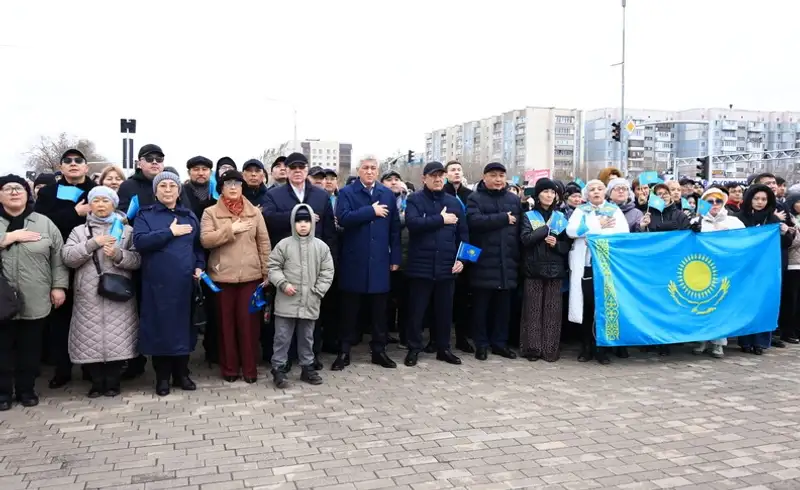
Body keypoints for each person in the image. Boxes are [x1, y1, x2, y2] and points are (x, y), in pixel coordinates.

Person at [62, 186, 141, 397]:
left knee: (118, 337)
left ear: (113, 204)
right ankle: (97, 382)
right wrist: (91, 244)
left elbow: (138, 260)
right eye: (96, 200)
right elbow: (68, 257)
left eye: (105, 201)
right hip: (88, 293)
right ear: (90, 205)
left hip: (119, 292)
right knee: (89, 337)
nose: (100, 205)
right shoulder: (79, 231)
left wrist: (118, 255)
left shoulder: (127, 231)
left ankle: (114, 381)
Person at [133, 170, 205, 396]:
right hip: (158, 284)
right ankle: (162, 377)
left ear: (178, 190)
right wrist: (169, 232)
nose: (167, 190)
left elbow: (198, 247)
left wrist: (199, 265)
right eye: (162, 186)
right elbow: (140, 241)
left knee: (183, 330)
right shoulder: (146, 215)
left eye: (172, 186)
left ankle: (182, 373)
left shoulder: (189, 215)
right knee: (160, 330)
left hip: (185, 284)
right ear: (155, 191)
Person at [0, 175, 69, 410]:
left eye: (18, 188)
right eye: (7, 189)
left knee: (30, 349)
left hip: (35, 295)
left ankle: (26, 390)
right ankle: (3, 393)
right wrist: (7, 238)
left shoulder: (43, 222)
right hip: (2, 299)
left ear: (28, 193)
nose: (13, 192)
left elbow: (58, 257)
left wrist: (58, 286)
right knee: (3, 349)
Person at [263, 153, 337, 369]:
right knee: (286, 317)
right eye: (293, 167)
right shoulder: (274, 195)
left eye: (301, 167)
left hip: (315, 261)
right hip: (287, 263)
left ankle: (310, 358)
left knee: (312, 315)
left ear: (307, 169)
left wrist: (332, 261)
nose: (297, 170)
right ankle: (285, 359)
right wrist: (298, 216)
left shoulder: (321, 195)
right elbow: (268, 219)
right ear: (286, 169)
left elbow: (330, 232)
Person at [200, 170, 271, 383]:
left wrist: (267, 272)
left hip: (251, 276)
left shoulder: (254, 213)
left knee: (249, 325)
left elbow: (264, 243)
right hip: (222, 277)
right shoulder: (210, 213)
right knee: (226, 325)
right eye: (228, 183)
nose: (233, 187)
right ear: (221, 188)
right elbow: (206, 240)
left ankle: (250, 370)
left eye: (237, 184)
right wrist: (231, 229)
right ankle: (230, 369)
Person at [34, 148, 96, 389]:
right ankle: (63, 369)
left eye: (78, 161)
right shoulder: (49, 192)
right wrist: (74, 212)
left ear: (86, 167)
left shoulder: (95, 191)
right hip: (59, 261)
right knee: (61, 318)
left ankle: (91, 369)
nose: (73, 164)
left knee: (89, 316)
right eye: (67, 161)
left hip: (91, 260)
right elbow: (43, 223)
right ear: (61, 167)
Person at [332, 155, 402, 370]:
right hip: (354, 260)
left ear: (378, 171)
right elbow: (343, 218)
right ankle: (344, 352)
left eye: (373, 168)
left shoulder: (387, 194)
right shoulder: (347, 193)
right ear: (358, 170)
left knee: (379, 311)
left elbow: (394, 229)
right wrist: (371, 211)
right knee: (349, 310)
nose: (370, 171)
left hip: (380, 261)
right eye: (365, 168)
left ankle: (379, 351)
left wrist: (395, 258)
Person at [403, 162, 468, 367]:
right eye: (434, 176)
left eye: (441, 176)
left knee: (444, 311)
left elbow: (464, 234)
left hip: (447, 266)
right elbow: (412, 224)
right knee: (417, 311)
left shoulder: (454, 202)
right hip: (420, 266)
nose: (438, 179)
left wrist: (463, 259)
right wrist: (440, 219)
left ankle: (444, 348)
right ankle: (414, 348)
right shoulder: (414, 199)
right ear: (424, 179)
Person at [268, 204, 334, 388]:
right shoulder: (284, 244)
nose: (303, 225)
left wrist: (318, 290)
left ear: (312, 223)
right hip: (286, 301)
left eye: (306, 221)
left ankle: (307, 367)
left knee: (307, 337)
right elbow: (273, 267)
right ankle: (279, 368)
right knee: (282, 336)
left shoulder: (321, 247)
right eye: (299, 221)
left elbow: (328, 271)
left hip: (310, 300)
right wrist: (282, 283)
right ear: (293, 223)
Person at [566, 179, 629, 365]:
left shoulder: (614, 210)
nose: (596, 192)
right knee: (587, 306)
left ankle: (602, 348)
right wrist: (596, 225)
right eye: (591, 189)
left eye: (600, 189)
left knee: (604, 307)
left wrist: (592, 231)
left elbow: (622, 233)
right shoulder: (581, 211)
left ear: (605, 192)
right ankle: (586, 346)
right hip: (586, 265)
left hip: (607, 266)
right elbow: (571, 231)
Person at [466, 162, 521, 361]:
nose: (498, 179)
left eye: (501, 175)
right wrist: (502, 218)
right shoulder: (475, 198)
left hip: (507, 262)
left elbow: (518, 229)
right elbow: (474, 222)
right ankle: (481, 344)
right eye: (493, 175)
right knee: (481, 307)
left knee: (503, 308)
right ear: (484, 177)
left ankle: (500, 343)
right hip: (483, 262)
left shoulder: (513, 199)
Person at [736, 183, 793, 355]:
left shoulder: (773, 220)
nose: (760, 202)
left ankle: (761, 342)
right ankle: (745, 340)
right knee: (746, 304)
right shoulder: (740, 218)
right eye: (756, 199)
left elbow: (785, 244)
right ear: (749, 200)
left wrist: (785, 233)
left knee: (764, 304)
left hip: (767, 270)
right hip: (745, 269)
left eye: (763, 199)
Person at [519, 178, 571, 362]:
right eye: (545, 192)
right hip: (533, 269)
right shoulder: (528, 216)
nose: (549, 195)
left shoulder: (562, 218)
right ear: (538, 195)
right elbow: (525, 240)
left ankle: (550, 349)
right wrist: (544, 230)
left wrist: (557, 243)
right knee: (532, 311)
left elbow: (567, 246)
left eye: (552, 192)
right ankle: (532, 349)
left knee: (553, 313)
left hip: (555, 270)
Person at [691, 187, 744, 358]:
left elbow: (745, 242)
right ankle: (701, 339)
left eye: (718, 201)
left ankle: (718, 343)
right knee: (701, 305)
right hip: (702, 270)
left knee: (720, 305)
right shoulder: (697, 221)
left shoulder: (734, 222)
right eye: (710, 201)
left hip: (725, 271)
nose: (714, 204)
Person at [180, 156, 219, 365]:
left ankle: (212, 349)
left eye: (205, 169)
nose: (201, 173)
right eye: (196, 169)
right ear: (189, 173)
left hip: (214, 254)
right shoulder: (181, 194)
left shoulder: (216, 196)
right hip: (189, 253)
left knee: (213, 303)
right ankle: (185, 352)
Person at [443, 161, 474, 353]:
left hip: (465, 248)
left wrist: (465, 258)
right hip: (444, 250)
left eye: (459, 170)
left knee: (464, 298)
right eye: (453, 170)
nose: (456, 173)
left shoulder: (470, 196)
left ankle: (462, 338)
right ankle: (437, 340)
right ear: (446, 174)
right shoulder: (441, 194)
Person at [118, 144, 165, 217]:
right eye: (149, 158)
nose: (154, 162)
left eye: (159, 159)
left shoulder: (172, 185)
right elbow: (122, 217)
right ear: (139, 163)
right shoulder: (127, 186)